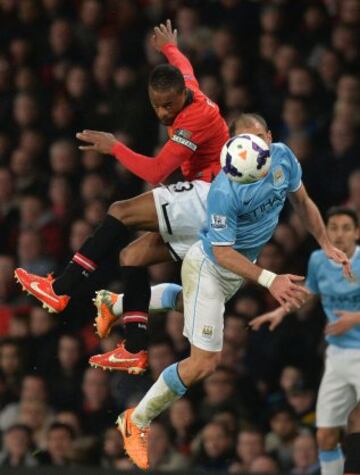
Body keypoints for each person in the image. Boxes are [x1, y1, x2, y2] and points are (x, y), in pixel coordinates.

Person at [114, 117, 350, 469]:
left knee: (186, 304)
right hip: (210, 267)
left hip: (238, 269)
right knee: (205, 363)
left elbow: (302, 202)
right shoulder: (225, 188)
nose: (249, 147)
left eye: (256, 139)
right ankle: (137, 420)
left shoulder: (283, 158)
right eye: (242, 141)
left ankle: (113, 303)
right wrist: (271, 280)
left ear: (269, 138)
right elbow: (222, 252)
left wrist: (326, 242)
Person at [14, 19, 229, 375]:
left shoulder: (197, 116)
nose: (164, 113)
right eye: (157, 105)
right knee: (132, 255)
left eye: (169, 106)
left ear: (183, 98)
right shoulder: (185, 86)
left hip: (212, 197)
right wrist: (169, 47)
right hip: (206, 208)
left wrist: (115, 147)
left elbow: (158, 171)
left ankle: (62, 287)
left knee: (121, 210)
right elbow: (184, 67)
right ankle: (134, 347)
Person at [251, 207, 360, 475]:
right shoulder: (318, 260)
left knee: (357, 421)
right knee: (325, 436)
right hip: (336, 355)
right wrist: (280, 310)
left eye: (346, 228)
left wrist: (354, 319)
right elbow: (308, 292)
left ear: (357, 233)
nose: (339, 234)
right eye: (333, 227)